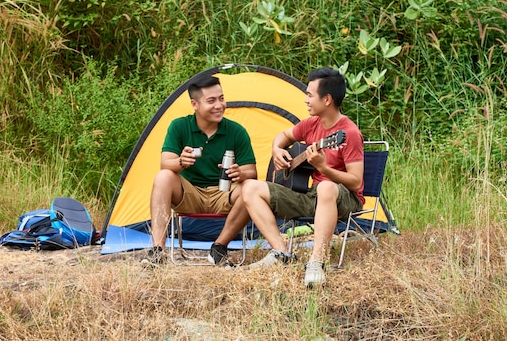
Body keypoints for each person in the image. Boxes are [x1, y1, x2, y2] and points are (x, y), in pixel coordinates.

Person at [212, 67, 364, 287]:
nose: (306, 100)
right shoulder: (311, 124)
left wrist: (324, 168)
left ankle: (316, 261)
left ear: (327, 99)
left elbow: (356, 182)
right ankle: (282, 253)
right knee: (250, 188)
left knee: (327, 187)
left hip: (344, 198)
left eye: (310, 95)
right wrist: (277, 150)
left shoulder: (349, 133)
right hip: (314, 197)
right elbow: (283, 136)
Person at [141, 74, 258, 266]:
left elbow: (251, 171)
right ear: (195, 104)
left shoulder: (236, 131)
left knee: (252, 187)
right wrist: (181, 161)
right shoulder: (179, 126)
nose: (219, 105)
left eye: (221, 98)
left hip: (224, 193)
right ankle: (157, 251)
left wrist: (240, 173)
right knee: (163, 177)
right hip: (190, 194)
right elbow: (165, 163)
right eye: (211, 101)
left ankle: (219, 247)